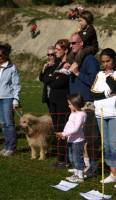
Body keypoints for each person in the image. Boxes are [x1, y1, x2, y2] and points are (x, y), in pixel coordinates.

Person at [90, 48, 116, 188]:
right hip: (100, 113)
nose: (105, 64)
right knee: (106, 145)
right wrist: (108, 94)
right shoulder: (99, 73)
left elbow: (115, 85)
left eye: (108, 61)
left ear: (114, 58)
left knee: (115, 144)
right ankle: (113, 174)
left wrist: (108, 76)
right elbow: (92, 93)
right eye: (103, 62)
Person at [68, 32, 100, 178]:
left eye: (73, 43)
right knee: (79, 138)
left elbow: (94, 81)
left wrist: (77, 72)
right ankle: (83, 166)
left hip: (88, 105)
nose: (70, 46)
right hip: (76, 106)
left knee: (91, 138)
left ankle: (94, 167)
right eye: (70, 43)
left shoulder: (90, 59)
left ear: (82, 43)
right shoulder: (75, 58)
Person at [42, 39, 71, 169]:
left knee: (64, 130)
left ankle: (66, 159)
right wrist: (53, 77)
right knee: (58, 130)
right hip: (52, 100)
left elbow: (61, 82)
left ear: (65, 50)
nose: (55, 51)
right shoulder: (58, 65)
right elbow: (45, 79)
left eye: (58, 49)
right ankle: (60, 159)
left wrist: (52, 79)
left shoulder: (68, 65)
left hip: (63, 101)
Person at [0, 44, 21, 157]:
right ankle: (6, 146)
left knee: (9, 124)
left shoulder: (12, 68)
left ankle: (12, 147)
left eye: (0, 55)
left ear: (6, 55)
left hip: (8, 99)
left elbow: (16, 85)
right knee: (3, 124)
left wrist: (15, 100)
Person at [56, 93, 87, 183]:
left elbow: (76, 128)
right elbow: (68, 125)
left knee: (78, 158)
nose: (68, 106)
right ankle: (76, 174)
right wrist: (64, 134)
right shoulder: (73, 113)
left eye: (70, 104)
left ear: (76, 105)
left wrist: (64, 133)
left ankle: (80, 176)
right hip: (71, 140)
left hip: (78, 141)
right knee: (72, 158)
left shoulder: (81, 115)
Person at [56, 11, 98, 75]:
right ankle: (68, 64)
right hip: (85, 46)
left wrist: (79, 32)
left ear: (88, 20)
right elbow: (80, 37)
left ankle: (75, 65)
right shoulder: (84, 29)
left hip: (92, 47)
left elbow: (85, 38)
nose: (80, 23)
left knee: (81, 52)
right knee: (72, 52)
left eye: (81, 21)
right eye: (79, 21)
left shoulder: (91, 29)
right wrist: (76, 33)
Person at [39, 46, 60, 110]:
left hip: (57, 94)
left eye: (52, 54)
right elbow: (41, 79)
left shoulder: (59, 64)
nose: (50, 56)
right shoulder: (47, 65)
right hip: (48, 94)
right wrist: (44, 69)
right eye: (48, 55)